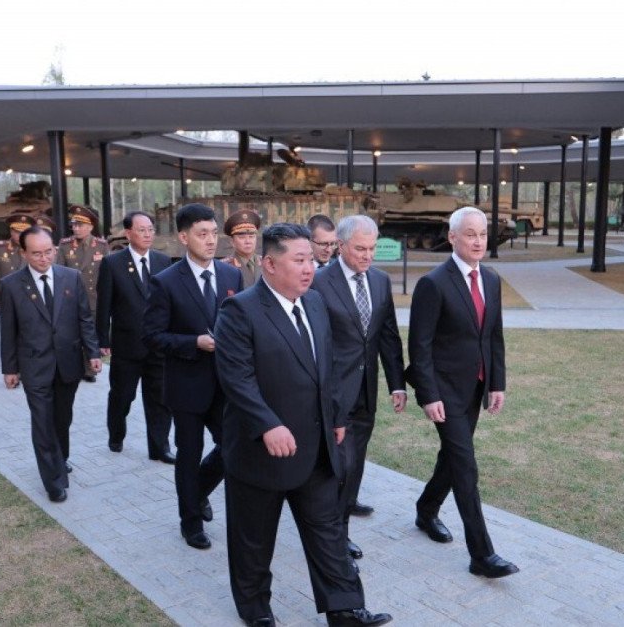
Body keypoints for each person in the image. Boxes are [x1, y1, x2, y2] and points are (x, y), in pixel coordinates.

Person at [215, 222, 392, 627]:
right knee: (254, 539)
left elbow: (325, 366)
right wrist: (267, 425)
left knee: (328, 532)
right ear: (269, 264)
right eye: (299, 260)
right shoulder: (240, 310)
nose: (310, 268)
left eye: (311, 259)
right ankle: (256, 610)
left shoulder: (313, 303)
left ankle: (345, 609)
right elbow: (236, 378)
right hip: (262, 452)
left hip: (316, 446)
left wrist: (337, 415)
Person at [406, 206, 518, 579]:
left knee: (453, 457)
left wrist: (497, 383)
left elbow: (494, 336)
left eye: (483, 234)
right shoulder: (433, 283)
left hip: (475, 388)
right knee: (466, 466)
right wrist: (429, 394)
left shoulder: (492, 279)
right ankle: (482, 555)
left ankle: (426, 510)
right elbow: (420, 346)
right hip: (444, 392)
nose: (478, 241)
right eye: (470, 234)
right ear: (452, 237)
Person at [143, 203, 244, 550]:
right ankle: (191, 523)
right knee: (188, 455)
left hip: (225, 384)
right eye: (203, 234)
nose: (211, 240)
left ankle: (198, 491)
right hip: (186, 386)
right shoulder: (165, 282)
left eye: (214, 233)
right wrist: (194, 343)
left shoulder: (231, 276)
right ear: (184, 238)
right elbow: (152, 336)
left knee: (232, 447)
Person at [312, 215, 405, 562]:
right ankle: (333, 538)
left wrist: (397, 384)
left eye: (372, 248)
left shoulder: (380, 281)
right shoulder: (319, 283)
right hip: (332, 394)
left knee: (356, 464)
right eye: (360, 249)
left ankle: (339, 525)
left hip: (366, 392)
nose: (368, 255)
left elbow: (388, 336)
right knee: (341, 464)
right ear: (340, 245)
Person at [0, 226, 102, 503]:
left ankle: (60, 457)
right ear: (23, 253)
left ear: (55, 249)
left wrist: (93, 353)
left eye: (48, 252)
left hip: (68, 362)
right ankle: (54, 482)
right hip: (34, 366)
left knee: (62, 418)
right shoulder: (10, 285)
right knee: (42, 422)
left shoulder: (71, 277)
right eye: (36, 254)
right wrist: (9, 368)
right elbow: (8, 331)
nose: (44, 258)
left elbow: (84, 319)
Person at [95, 211, 175, 462]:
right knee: (123, 396)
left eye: (150, 229)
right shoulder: (112, 263)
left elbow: (170, 302)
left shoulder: (163, 261)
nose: (148, 234)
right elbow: (104, 305)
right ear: (128, 233)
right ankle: (116, 435)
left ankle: (159, 448)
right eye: (142, 230)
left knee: (160, 399)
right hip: (127, 346)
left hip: (158, 345)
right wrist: (102, 340)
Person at [58, 204, 110, 382]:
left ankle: (89, 370)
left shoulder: (101, 246)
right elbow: (59, 273)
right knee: (73, 335)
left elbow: (107, 274)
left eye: (80, 225)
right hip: (71, 298)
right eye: (74, 225)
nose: (76, 228)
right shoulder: (65, 246)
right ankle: (74, 367)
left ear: (90, 226)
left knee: (91, 334)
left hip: (94, 298)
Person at [0, 213, 32, 314]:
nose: (20, 235)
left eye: (24, 232)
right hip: (6, 298)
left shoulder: (33, 249)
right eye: (17, 232)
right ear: (11, 231)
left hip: (29, 298)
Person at [222, 209, 262, 288]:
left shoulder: (266, 263)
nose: (248, 241)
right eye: (242, 237)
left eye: (251, 236)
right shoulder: (224, 266)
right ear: (232, 242)